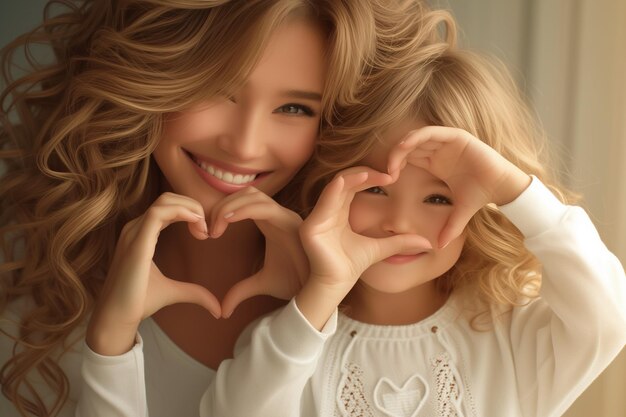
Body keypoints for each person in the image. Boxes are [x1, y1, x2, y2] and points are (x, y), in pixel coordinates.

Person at [0, 0, 420, 415]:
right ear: (153, 77)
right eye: (218, 90)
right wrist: (109, 343)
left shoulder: (390, 296)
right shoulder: (38, 293)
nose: (244, 145)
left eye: (294, 108)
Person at [200, 12, 626, 417]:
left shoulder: (513, 337)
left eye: (438, 199)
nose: (399, 223)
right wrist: (323, 289)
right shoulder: (293, 341)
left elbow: (608, 318)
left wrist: (512, 188)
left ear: (482, 210)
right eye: (376, 189)